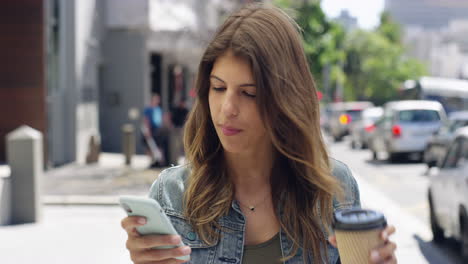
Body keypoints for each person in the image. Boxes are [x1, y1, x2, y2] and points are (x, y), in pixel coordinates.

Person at [122, 3, 397, 264]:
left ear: (284, 99)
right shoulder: (171, 194)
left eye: (249, 93)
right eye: (218, 88)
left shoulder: (334, 189)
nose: (227, 108)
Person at [142, 93, 171, 167]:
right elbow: (146, 120)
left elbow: (162, 119)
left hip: (158, 130)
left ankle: (160, 161)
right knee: (150, 146)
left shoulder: (159, 109)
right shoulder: (148, 109)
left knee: (159, 146)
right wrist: (147, 130)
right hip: (151, 129)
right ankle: (152, 161)